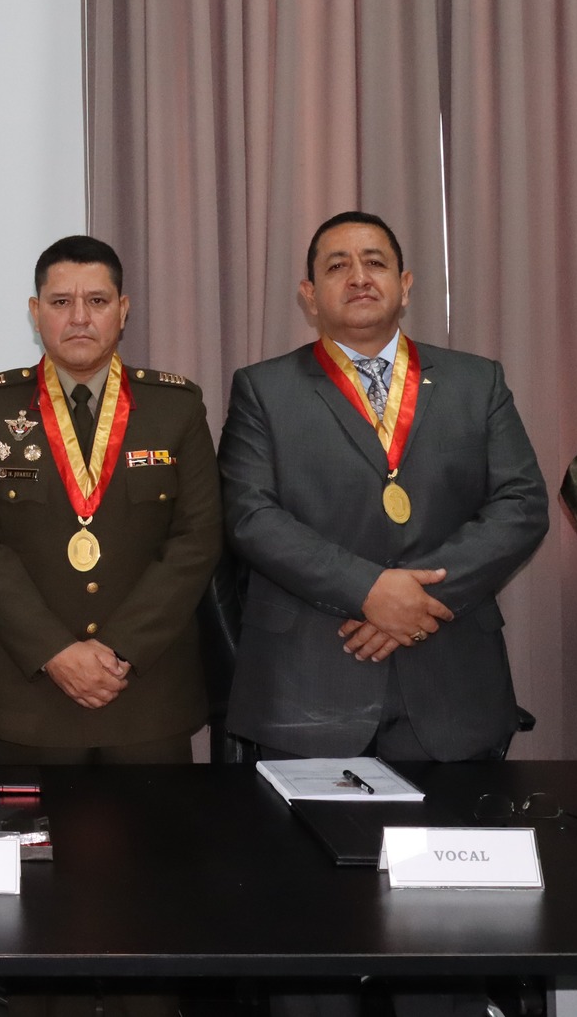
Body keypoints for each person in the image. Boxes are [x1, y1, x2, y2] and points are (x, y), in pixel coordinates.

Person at [220, 210, 548, 763]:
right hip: (308, 686)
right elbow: (252, 517)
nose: (358, 277)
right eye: (337, 266)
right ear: (309, 294)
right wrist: (369, 591)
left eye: (375, 263)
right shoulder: (263, 390)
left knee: (457, 823)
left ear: (405, 285)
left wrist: (418, 601)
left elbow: (522, 505)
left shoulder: (477, 381)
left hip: (452, 682)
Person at [0, 235, 222, 765]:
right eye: (60, 301)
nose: (79, 317)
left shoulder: (176, 407)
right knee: (32, 826)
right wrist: (54, 652)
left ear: (123, 310)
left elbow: (197, 540)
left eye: (96, 301)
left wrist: (122, 649)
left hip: (145, 694)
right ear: (35, 313)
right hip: (30, 696)